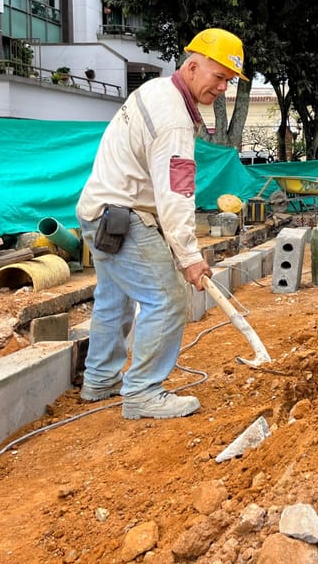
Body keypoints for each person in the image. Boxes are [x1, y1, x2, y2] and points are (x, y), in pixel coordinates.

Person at [76, 27, 246, 420]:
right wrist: (188, 255)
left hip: (98, 213)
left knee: (114, 300)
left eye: (229, 81)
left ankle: (100, 380)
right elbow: (176, 195)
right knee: (167, 301)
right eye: (218, 76)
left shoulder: (154, 91)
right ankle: (143, 393)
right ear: (191, 67)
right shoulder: (174, 121)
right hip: (123, 216)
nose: (222, 87)